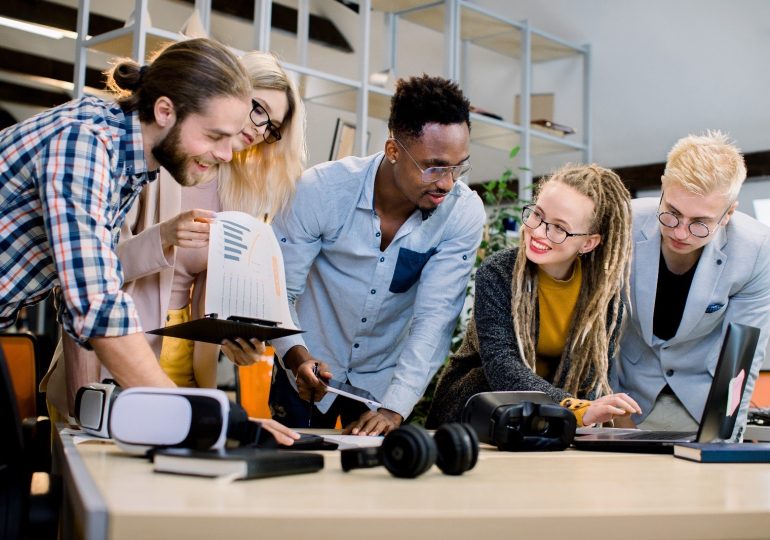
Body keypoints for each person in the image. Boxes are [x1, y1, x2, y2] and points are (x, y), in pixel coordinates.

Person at [40, 51, 306, 444]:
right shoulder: (142, 156)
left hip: (185, 364)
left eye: (273, 126)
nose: (259, 130)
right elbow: (87, 281)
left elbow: (210, 293)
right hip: (117, 355)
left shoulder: (240, 190)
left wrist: (234, 341)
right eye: (258, 110)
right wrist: (162, 237)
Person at [0, 38, 251, 392]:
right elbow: (95, 300)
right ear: (165, 111)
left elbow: (78, 287)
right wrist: (187, 410)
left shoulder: (126, 163)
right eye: (214, 136)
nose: (226, 154)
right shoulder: (85, 144)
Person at [269, 74, 486, 436]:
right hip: (307, 362)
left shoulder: (461, 213)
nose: (447, 182)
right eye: (433, 166)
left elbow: (434, 320)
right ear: (393, 150)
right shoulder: (321, 191)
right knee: (290, 472)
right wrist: (296, 356)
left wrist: (395, 408)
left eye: (458, 166)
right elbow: (280, 291)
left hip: (382, 382)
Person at [427, 164, 642, 428]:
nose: (538, 232)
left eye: (559, 228)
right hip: (478, 411)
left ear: (588, 243)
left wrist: (591, 412)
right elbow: (502, 368)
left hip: (549, 423)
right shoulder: (499, 272)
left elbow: (591, 381)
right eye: (537, 215)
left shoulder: (604, 300)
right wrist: (574, 408)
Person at [612, 131, 770, 439]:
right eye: (672, 213)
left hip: (702, 398)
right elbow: (597, 329)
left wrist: (725, 437)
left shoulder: (757, 250)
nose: (681, 232)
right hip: (628, 390)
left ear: (729, 214)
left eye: (700, 223)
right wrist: (605, 413)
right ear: (662, 187)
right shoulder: (623, 224)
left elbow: (741, 359)